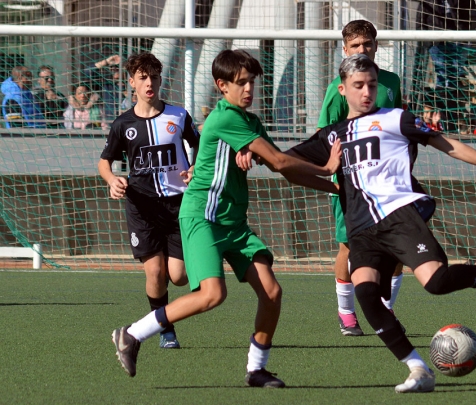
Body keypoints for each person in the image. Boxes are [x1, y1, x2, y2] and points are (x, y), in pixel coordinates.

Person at [291, 53, 476, 394]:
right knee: (366, 295)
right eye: (358, 86)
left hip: (399, 214)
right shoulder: (331, 136)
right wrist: (314, 170)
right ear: (342, 90)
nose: (367, 92)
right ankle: (418, 369)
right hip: (360, 229)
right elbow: (285, 162)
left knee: (436, 283)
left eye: (371, 85)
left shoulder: (396, 119)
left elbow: (447, 145)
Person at [110, 49, 342, 387]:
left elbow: (285, 168)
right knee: (212, 294)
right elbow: (278, 161)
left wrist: (335, 188)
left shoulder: (249, 122)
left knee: (272, 292)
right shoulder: (225, 118)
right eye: (241, 83)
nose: (249, 89)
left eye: (252, 82)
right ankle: (132, 333)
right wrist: (327, 168)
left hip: (233, 222)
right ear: (222, 85)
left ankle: (257, 369)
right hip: (203, 216)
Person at [99, 52, 200, 350]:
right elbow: (105, 162)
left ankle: (165, 317)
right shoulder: (122, 124)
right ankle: (166, 330)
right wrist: (112, 180)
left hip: (177, 205)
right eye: (142, 78)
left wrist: (195, 167)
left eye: (154, 77)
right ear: (132, 82)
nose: (149, 83)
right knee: (155, 272)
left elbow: (200, 145)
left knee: (179, 277)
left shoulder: (178, 115)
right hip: (142, 207)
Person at [316, 19, 406, 337]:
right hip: (351, 182)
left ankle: (386, 312)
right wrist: (336, 173)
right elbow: (323, 134)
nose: (361, 49)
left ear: (376, 46)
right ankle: (346, 313)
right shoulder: (337, 88)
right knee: (349, 248)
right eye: (355, 45)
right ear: (345, 49)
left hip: (389, 183)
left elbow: (398, 127)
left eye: (366, 44)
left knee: (397, 251)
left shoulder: (392, 81)